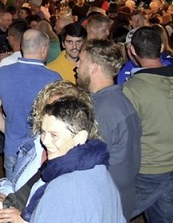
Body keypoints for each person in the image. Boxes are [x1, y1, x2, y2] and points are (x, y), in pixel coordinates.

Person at [0, 96, 124, 223]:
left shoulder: (63, 187)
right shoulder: (99, 170)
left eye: (54, 135)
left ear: (80, 137)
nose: (45, 141)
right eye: (43, 132)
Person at [123, 27, 173, 223]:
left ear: (132, 50)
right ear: (160, 48)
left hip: (148, 171)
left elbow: (126, 134)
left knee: (111, 212)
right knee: (168, 213)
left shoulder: (133, 88)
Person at [75, 39, 142, 220]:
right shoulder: (120, 99)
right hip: (121, 194)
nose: (76, 65)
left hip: (105, 201)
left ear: (94, 67)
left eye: (81, 61)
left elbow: (89, 162)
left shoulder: (101, 109)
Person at [0, 29, 61, 180]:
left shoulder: (3, 73)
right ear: (44, 49)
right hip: (42, 151)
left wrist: (10, 130)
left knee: (12, 193)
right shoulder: (53, 78)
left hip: (13, 148)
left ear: (22, 48)